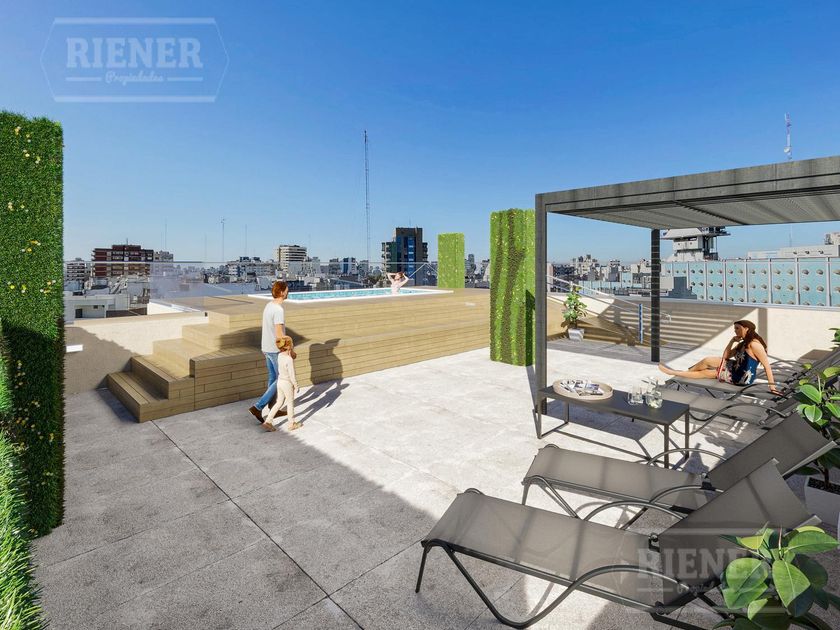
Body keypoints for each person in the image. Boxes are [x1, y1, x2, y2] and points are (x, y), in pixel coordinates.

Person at [658, 319, 780, 394]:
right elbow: (726, 356)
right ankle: (682, 374)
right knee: (707, 360)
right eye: (735, 329)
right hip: (735, 367)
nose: (735, 331)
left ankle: (674, 373)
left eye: (737, 328)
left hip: (741, 377)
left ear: (746, 329)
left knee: (706, 373)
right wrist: (732, 341)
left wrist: (772, 388)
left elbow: (767, 367)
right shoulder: (743, 343)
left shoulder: (754, 345)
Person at [248, 280, 289, 421]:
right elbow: (279, 334)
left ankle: (273, 408)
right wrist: (286, 349)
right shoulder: (278, 310)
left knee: (272, 379)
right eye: (287, 290)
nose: (288, 292)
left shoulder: (269, 305)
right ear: (282, 292)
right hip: (275, 349)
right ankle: (258, 407)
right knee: (281, 379)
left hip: (266, 347)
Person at [262, 335, 301, 431]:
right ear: (289, 346)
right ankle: (292, 424)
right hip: (287, 383)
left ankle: (268, 421)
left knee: (279, 402)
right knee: (290, 403)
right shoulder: (289, 359)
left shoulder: (279, 355)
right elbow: (292, 375)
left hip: (280, 382)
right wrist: (296, 385)